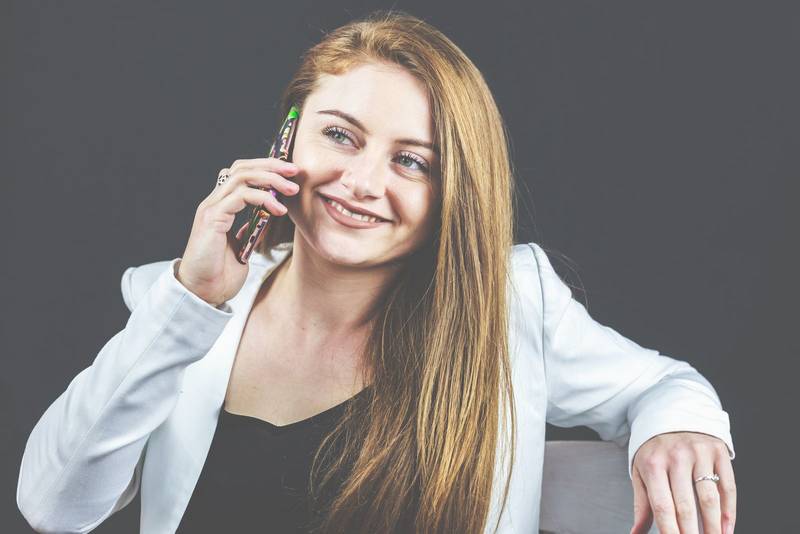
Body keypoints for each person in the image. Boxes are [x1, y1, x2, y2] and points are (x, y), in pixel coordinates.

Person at [16, 9, 736, 534]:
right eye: (340, 135)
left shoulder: (510, 300)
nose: (362, 182)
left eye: (411, 161)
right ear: (286, 139)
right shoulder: (177, 306)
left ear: (453, 189)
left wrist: (678, 429)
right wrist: (191, 300)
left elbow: (665, 387)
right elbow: (52, 507)